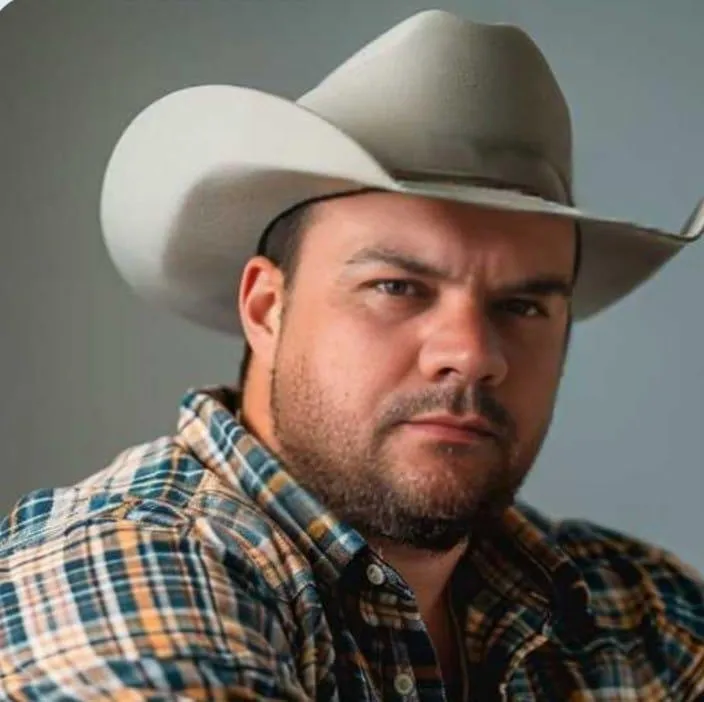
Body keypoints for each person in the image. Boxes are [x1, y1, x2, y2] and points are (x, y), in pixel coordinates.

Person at [1, 9, 702, 701]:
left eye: (522, 306)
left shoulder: (643, 615)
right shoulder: (120, 567)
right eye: (397, 287)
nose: (471, 354)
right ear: (266, 308)